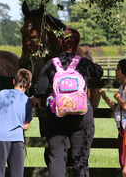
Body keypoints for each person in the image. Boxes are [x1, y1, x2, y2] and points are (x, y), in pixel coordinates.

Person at [31, 27, 103, 177]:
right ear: (77, 45)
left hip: (57, 118)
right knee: (81, 161)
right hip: (82, 118)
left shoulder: (51, 64)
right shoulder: (84, 63)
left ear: (61, 43)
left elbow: (39, 89)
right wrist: (87, 60)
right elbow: (99, 73)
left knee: (56, 160)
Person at [0, 68, 33, 177]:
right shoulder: (27, 101)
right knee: (17, 172)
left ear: (14, 81)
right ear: (29, 85)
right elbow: (26, 126)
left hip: (0, 138)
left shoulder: (3, 94)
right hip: (17, 139)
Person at [98, 59, 126, 169]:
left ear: (125, 73)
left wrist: (119, 99)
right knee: (123, 160)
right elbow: (118, 109)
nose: (116, 71)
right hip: (122, 130)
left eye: (118, 69)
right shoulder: (122, 87)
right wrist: (105, 97)